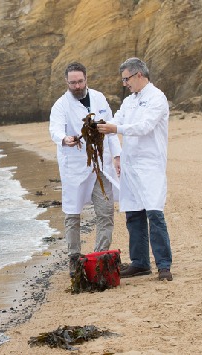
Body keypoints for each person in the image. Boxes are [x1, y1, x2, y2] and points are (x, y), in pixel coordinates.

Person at [96, 57, 173, 281]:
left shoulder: (157, 98)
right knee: (134, 215)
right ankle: (140, 263)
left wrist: (115, 128)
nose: (125, 84)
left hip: (150, 164)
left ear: (139, 75)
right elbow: (114, 120)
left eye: (126, 79)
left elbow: (144, 126)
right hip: (130, 165)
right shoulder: (129, 101)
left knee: (154, 213)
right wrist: (97, 125)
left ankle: (164, 265)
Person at [49, 62, 122, 278]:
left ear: (86, 79)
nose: (77, 86)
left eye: (80, 81)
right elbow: (55, 128)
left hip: (101, 165)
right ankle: (74, 260)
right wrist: (65, 139)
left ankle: (99, 258)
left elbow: (110, 128)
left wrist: (117, 156)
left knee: (106, 212)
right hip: (75, 165)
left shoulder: (99, 98)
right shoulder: (60, 105)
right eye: (73, 82)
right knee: (73, 214)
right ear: (67, 82)